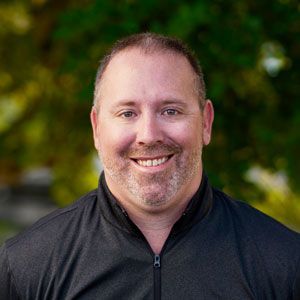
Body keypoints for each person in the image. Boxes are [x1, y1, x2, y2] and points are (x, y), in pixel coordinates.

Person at [0, 33, 299, 300]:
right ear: (96, 128)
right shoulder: (26, 266)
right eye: (128, 113)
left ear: (206, 122)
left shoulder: (284, 263)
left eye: (170, 110)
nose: (148, 135)